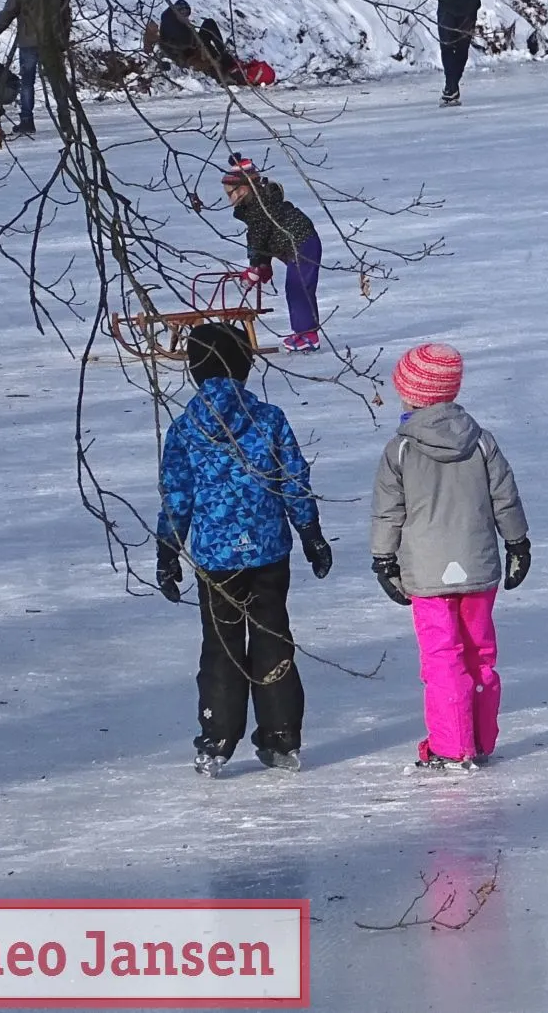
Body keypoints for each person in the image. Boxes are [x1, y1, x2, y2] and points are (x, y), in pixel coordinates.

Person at [155, 323, 333, 777]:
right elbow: (292, 480)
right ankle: (281, 736)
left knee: (222, 647)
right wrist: (310, 532)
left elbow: (177, 495)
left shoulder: (184, 428)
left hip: (217, 561)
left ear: (194, 371)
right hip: (268, 552)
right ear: (246, 366)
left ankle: (217, 737)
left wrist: (168, 551)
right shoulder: (268, 419)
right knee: (272, 639)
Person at [370, 343, 532, 771]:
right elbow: (505, 498)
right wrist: (517, 542)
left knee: (442, 656)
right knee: (480, 651)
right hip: (478, 567)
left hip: (426, 573)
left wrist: (383, 559)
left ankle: (451, 744)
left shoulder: (400, 450)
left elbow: (389, 510)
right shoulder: (481, 442)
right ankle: (479, 738)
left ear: (412, 394)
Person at [221, 157, 322, 351]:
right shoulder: (255, 206)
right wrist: (264, 264)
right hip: (294, 246)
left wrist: (255, 265)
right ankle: (304, 332)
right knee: (298, 288)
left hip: (303, 243)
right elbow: (265, 237)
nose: (229, 199)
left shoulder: (260, 206)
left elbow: (258, 238)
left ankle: (307, 335)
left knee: (298, 288)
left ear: (243, 189)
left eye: (230, 193)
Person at [0, 0, 61, 137]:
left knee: (27, 83)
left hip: (28, 43)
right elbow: (65, 15)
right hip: (50, 43)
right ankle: (64, 118)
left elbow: (6, 15)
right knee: (57, 81)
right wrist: (61, 39)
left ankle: (27, 120)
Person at [158, 0, 244, 83]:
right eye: (182, 12)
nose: (185, 15)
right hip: (188, 55)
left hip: (192, 49)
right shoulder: (171, 24)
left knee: (209, 25)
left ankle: (224, 56)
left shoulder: (175, 22)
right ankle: (224, 59)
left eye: (186, 13)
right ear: (176, 12)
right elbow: (183, 43)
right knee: (209, 26)